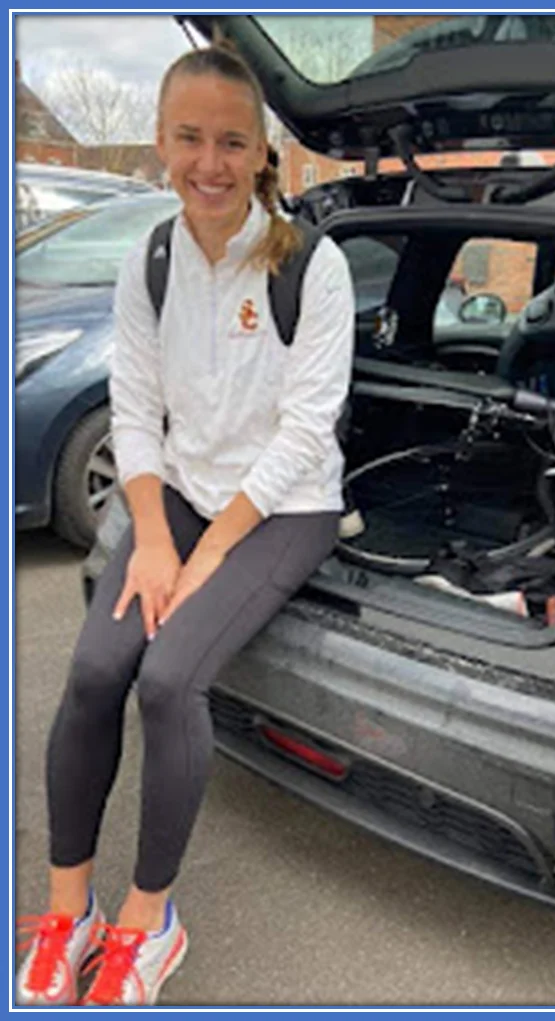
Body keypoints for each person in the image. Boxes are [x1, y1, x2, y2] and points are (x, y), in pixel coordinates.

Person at [16, 42, 354, 1007]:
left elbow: (305, 427)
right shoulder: (150, 258)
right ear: (162, 143)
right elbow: (134, 409)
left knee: (167, 682)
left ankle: (146, 922)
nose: (209, 162)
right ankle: (67, 910)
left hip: (285, 506)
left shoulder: (311, 267)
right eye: (190, 138)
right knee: (90, 671)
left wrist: (205, 550)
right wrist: (153, 535)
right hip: (183, 501)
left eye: (231, 142)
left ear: (261, 155)